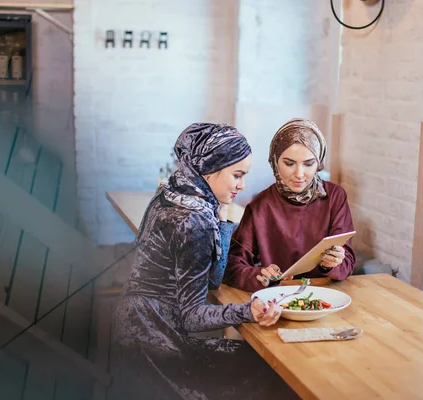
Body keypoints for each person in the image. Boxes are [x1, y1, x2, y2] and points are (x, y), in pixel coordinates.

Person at [112, 123, 299, 399]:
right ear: (211, 169)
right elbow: (192, 317)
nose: (242, 185)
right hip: (154, 344)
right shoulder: (195, 220)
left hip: (136, 326)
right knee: (271, 371)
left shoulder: (173, 194)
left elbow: (211, 280)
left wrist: (222, 218)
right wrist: (249, 310)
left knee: (260, 367)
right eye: (237, 175)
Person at [223, 118, 356, 293]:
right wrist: (260, 274)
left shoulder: (334, 197)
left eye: (308, 164)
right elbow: (232, 267)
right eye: (289, 163)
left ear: (319, 163)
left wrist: (332, 264)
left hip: (326, 297)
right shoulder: (260, 206)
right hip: (278, 299)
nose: (299, 174)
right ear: (275, 161)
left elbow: (347, 265)